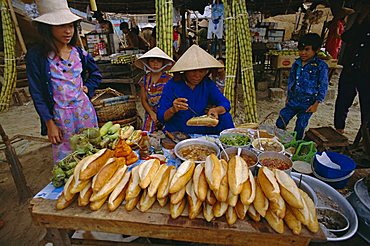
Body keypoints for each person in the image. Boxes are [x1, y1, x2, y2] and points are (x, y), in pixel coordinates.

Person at [26, 0, 102, 163]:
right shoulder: (37, 57)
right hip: (60, 118)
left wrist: (88, 87)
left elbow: (96, 74)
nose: (68, 31)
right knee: (68, 161)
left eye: (71, 26)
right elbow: (37, 93)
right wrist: (49, 123)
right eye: (61, 26)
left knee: (92, 156)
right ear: (48, 28)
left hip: (85, 112)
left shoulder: (79, 53)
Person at [157, 45, 234, 134]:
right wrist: (173, 109)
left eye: (201, 71)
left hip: (201, 128)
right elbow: (161, 116)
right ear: (185, 71)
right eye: (193, 71)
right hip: (179, 130)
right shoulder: (172, 85)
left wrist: (216, 110)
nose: (197, 76)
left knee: (226, 116)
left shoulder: (207, 83)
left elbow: (225, 103)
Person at [276, 33, 328, 140]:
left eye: (307, 49)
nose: (303, 53)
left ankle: (296, 145)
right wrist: (288, 97)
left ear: (316, 50)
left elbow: (323, 85)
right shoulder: (296, 64)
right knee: (281, 121)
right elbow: (291, 81)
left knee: (300, 126)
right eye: (301, 49)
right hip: (293, 100)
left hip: (308, 103)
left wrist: (316, 103)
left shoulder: (321, 66)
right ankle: (280, 141)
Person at [334, 0, 370, 134]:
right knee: (343, 99)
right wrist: (358, 21)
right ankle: (339, 129)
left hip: (366, 72)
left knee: (366, 105)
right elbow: (346, 37)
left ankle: (365, 135)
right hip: (350, 67)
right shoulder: (356, 20)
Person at [134, 47, 174, 132]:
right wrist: (151, 113)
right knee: (148, 137)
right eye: (152, 61)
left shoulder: (169, 79)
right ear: (147, 63)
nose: (155, 64)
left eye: (159, 61)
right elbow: (143, 100)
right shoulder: (144, 79)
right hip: (150, 114)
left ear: (163, 63)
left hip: (165, 112)